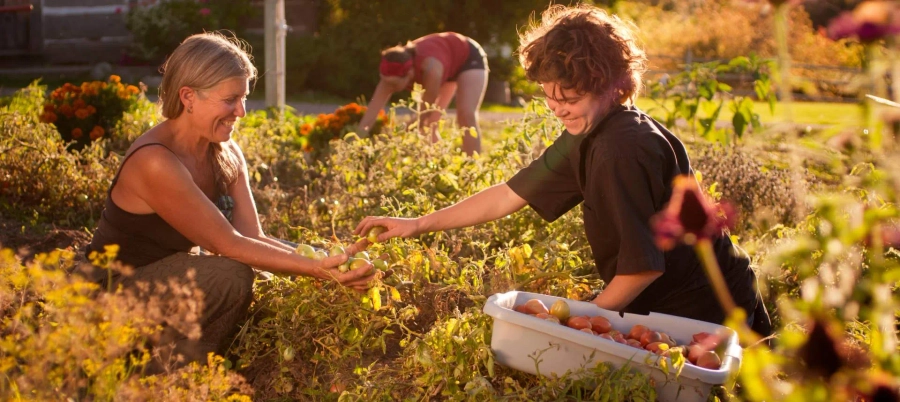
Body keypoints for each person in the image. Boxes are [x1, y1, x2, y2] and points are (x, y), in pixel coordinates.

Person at [354, 5, 771, 335]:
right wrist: (417, 223)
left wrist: (580, 322)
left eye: (568, 96)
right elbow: (509, 193)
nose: (556, 107)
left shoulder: (620, 148)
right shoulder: (593, 129)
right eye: (549, 95)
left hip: (708, 308)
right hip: (673, 300)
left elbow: (642, 266)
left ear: (612, 83)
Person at [84, 32, 375, 371]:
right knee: (232, 276)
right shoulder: (156, 161)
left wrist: (329, 259)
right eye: (230, 99)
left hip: (170, 283)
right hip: (111, 296)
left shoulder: (225, 152)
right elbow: (228, 245)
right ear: (188, 96)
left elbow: (254, 236)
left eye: (245, 97)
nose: (242, 111)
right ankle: (157, 375)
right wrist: (314, 270)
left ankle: (186, 366)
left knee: (261, 275)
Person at [357, 32, 489, 156]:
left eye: (394, 84)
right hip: (446, 62)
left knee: (466, 114)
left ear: (409, 74)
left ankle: (472, 165)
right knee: (431, 125)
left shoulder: (430, 68)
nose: (389, 87)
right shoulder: (391, 71)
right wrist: (355, 143)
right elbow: (370, 114)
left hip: (468, 56)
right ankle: (437, 166)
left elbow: (424, 114)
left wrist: (393, 138)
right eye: (387, 83)